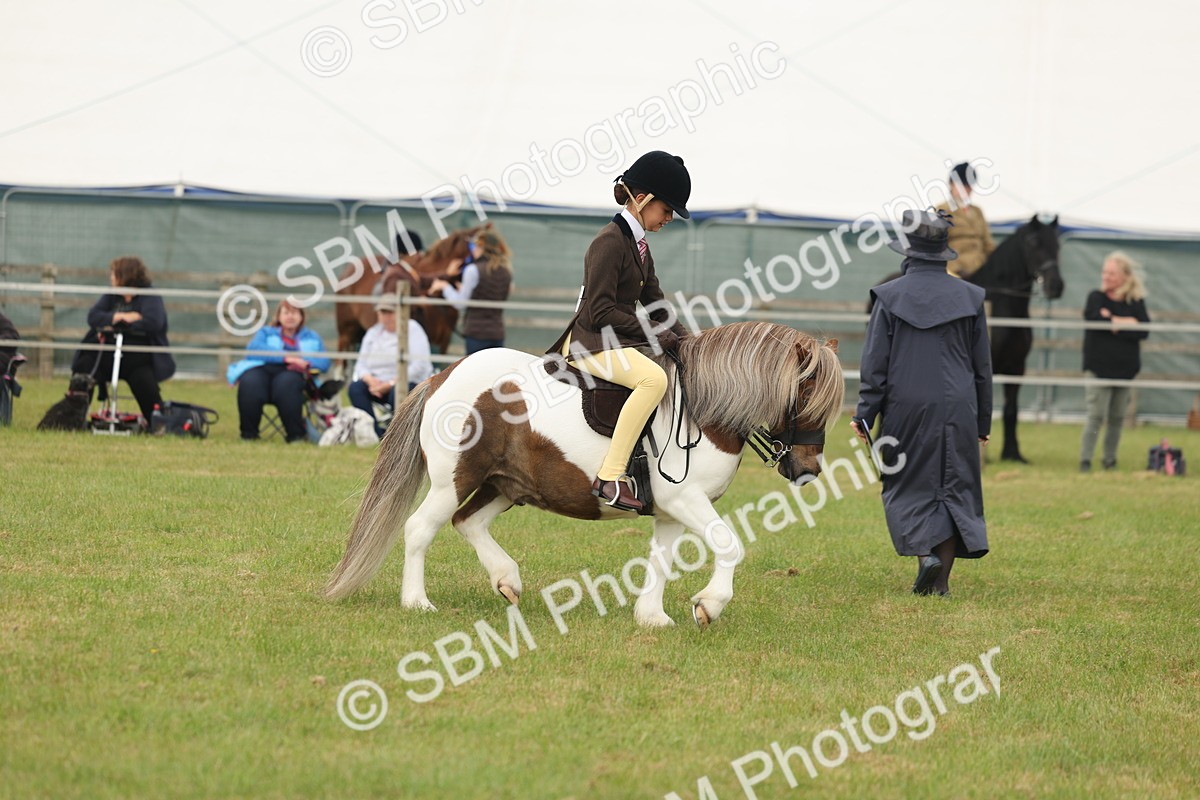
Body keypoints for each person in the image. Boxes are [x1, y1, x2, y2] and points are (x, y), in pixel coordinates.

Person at [852, 209, 992, 597]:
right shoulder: (971, 297)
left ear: (908, 250)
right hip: (959, 405)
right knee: (954, 485)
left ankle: (925, 558)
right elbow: (982, 366)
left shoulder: (889, 296)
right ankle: (941, 583)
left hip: (906, 406)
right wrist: (982, 423)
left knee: (908, 482)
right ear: (943, 250)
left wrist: (865, 415)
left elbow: (875, 363)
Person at [547, 150, 691, 512]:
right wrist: (654, 334)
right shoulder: (609, 242)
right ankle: (610, 476)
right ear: (641, 200)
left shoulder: (639, 246)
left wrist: (688, 340)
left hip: (615, 340)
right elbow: (598, 311)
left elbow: (655, 303)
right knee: (653, 381)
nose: (670, 218)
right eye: (666, 209)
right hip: (589, 343)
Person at [1079, 251, 1150, 472]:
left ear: (1125, 276)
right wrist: (1127, 322)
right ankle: (1086, 460)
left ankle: (1109, 459)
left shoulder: (1136, 301)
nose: (1106, 276)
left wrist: (1113, 320)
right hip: (1098, 368)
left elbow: (1143, 330)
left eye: (1111, 273)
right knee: (1096, 416)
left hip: (1125, 370)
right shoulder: (1096, 297)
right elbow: (1094, 319)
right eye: (1104, 272)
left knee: (1118, 417)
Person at [227, 299, 331, 442]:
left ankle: (296, 436)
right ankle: (248, 435)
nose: (290, 316)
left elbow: (324, 362)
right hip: (263, 370)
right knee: (250, 381)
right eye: (286, 312)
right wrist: (287, 357)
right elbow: (253, 350)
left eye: (294, 313)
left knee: (287, 383)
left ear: (301, 316)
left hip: (295, 375)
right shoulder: (266, 333)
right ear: (279, 316)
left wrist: (303, 362)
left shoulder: (312, 337)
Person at [86, 256, 175, 420]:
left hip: (138, 358)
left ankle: (156, 421)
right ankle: (73, 418)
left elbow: (154, 322)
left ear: (125, 275)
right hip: (109, 356)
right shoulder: (111, 295)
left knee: (143, 381)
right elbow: (93, 317)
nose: (111, 278)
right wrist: (125, 317)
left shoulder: (149, 296)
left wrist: (115, 324)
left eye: (114, 274)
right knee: (84, 368)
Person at [347, 301, 434, 437]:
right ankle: (375, 434)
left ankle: (397, 436)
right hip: (376, 384)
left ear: (400, 313)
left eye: (390, 313)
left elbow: (419, 366)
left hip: (407, 382)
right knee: (355, 388)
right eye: (382, 313)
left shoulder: (413, 329)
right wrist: (370, 380)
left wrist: (390, 384)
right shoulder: (373, 332)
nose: (386, 317)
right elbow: (361, 364)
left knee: (397, 391)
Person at [430, 227, 514, 354]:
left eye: (474, 246)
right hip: (497, 333)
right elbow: (492, 294)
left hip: (477, 334)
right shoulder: (506, 271)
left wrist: (445, 287)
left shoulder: (472, 270)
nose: (473, 249)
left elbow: (461, 304)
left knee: (475, 372)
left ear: (481, 247)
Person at [935, 162, 995, 279]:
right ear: (951, 185)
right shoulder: (944, 210)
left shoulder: (978, 211)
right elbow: (940, 246)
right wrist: (955, 268)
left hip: (981, 268)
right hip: (956, 269)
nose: (966, 189)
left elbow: (988, 244)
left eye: (969, 186)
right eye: (962, 185)